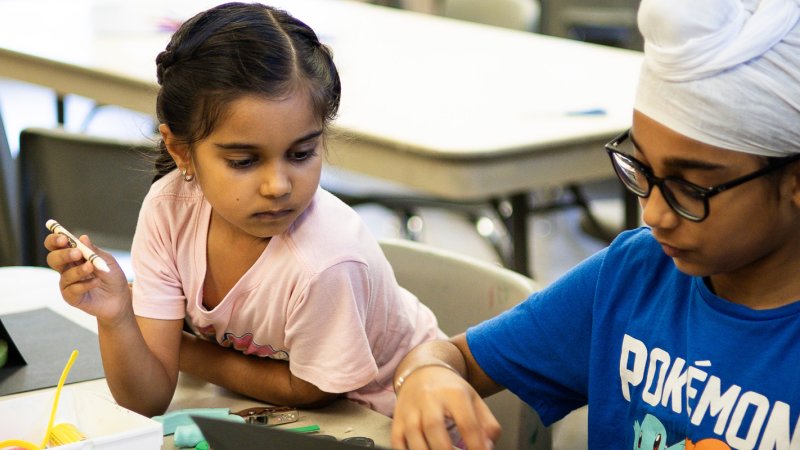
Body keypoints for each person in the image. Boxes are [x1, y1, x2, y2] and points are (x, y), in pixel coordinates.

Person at [391, 0, 800, 448]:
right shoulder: (634, 275)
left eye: (692, 188)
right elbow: (454, 358)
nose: (654, 215)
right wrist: (426, 374)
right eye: (641, 170)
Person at [44, 2, 443, 418]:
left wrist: (180, 348)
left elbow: (311, 391)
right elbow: (146, 401)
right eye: (244, 161)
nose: (278, 187)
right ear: (181, 150)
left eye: (302, 152)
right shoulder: (168, 211)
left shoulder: (327, 261)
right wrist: (117, 318)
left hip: (396, 419)